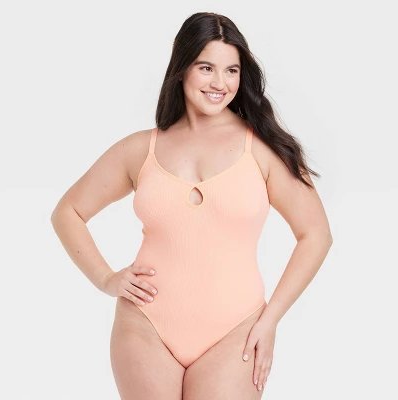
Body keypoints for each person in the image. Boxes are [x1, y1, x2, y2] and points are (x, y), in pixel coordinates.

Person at [51, 11, 333, 400]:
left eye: (231, 70)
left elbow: (316, 234)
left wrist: (270, 320)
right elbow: (68, 212)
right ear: (182, 69)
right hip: (145, 326)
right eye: (206, 68)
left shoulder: (264, 149)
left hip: (236, 330)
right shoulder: (141, 148)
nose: (220, 83)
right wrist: (106, 279)